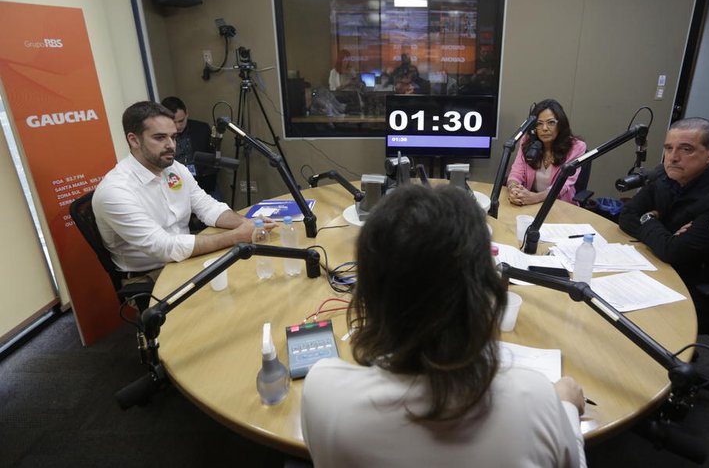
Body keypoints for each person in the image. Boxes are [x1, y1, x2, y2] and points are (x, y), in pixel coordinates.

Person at [301, 185, 586, 468]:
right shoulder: (535, 400)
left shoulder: (323, 392)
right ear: (482, 293)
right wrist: (567, 408)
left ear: (369, 295)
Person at [92, 101, 276, 287]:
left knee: (257, 275)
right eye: (160, 138)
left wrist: (248, 224)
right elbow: (164, 247)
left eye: (173, 137)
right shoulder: (115, 191)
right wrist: (238, 236)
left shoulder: (174, 168)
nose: (171, 145)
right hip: (151, 275)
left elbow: (208, 207)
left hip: (186, 259)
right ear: (134, 140)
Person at [618, 117, 709, 293]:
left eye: (686, 149)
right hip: (659, 263)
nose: (673, 158)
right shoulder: (666, 175)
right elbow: (627, 215)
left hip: (699, 286)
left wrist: (648, 218)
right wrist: (666, 239)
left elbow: (673, 252)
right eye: (668, 148)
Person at [507, 99, 587, 205]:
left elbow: (564, 185)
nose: (544, 128)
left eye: (551, 122)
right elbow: (516, 172)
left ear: (561, 124)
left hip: (559, 206)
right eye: (539, 124)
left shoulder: (576, 147)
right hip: (529, 203)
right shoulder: (527, 142)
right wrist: (514, 189)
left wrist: (536, 197)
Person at [160, 96, 220, 198]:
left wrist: (208, 173)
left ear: (187, 113)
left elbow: (215, 154)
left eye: (181, 121)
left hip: (204, 183)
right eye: (174, 122)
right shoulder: (160, 137)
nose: (178, 126)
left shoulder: (202, 129)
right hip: (176, 186)